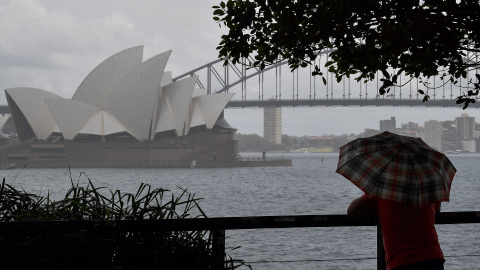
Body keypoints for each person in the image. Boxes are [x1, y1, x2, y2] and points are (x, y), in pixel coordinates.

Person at [347, 194, 445, 270]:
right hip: (433, 257)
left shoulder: (382, 191)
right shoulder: (426, 187)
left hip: (401, 261)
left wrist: (371, 193)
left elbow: (352, 210)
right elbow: (436, 209)